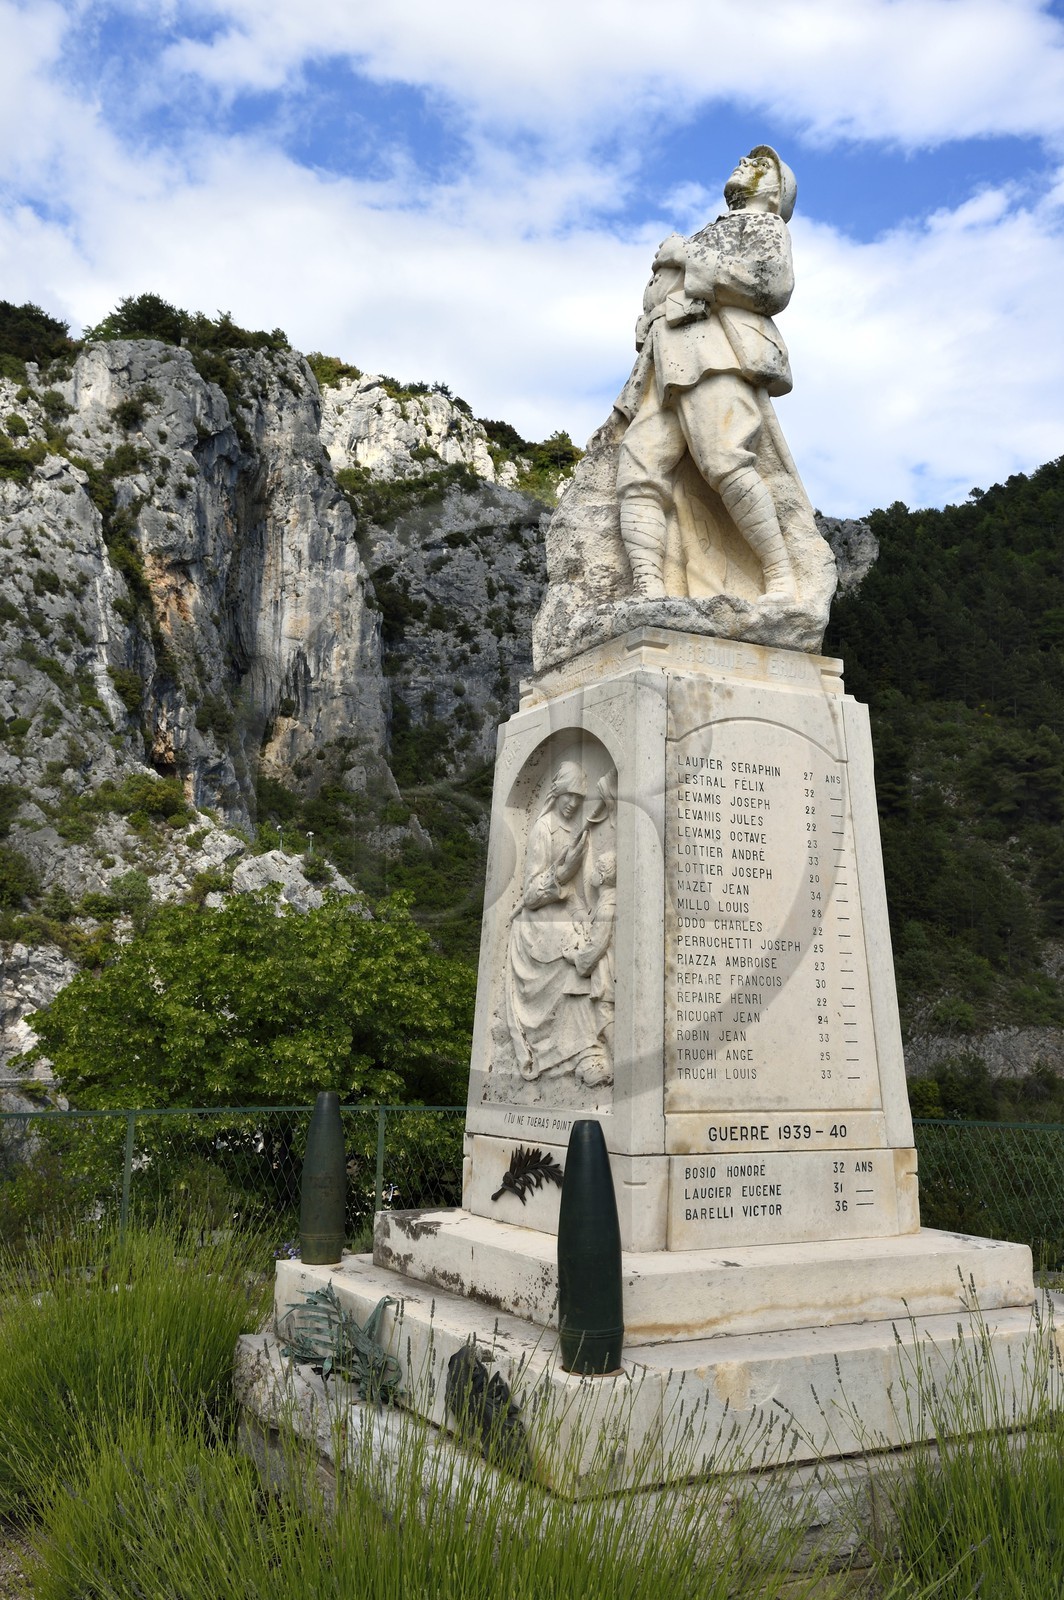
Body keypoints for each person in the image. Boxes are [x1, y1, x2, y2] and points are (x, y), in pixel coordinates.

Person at [615, 145, 800, 602]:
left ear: (776, 193)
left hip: (714, 350)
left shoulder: (765, 225)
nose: (745, 163)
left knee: (724, 458)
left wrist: (687, 255)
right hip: (663, 356)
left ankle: (781, 577)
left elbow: (771, 286)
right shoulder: (711, 231)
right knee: (638, 469)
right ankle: (649, 587)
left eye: (761, 166)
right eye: (748, 160)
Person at [505, 762, 613, 1087]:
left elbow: (577, 893)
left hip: (563, 914)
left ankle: (590, 1044)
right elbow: (530, 893)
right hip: (537, 922)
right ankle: (583, 1054)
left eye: (579, 798)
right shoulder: (544, 828)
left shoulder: (575, 831)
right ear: (558, 792)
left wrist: (581, 916)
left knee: (587, 945)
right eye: (569, 795)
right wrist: (560, 874)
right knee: (572, 967)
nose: (573, 803)